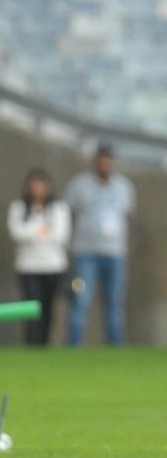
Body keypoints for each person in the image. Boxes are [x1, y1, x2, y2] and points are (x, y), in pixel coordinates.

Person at [64, 144, 135, 346]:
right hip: (86, 253)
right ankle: (74, 346)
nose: (105, 165)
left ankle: (114, 347)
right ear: (96, 161)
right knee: (80, 300)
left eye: (109, 161)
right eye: (102, 160)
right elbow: (67, 211)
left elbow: (128, 215)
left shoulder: (124, 186)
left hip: (115, 253)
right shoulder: (79, 184)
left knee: (114, 303)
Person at [7, 169, 71, 346]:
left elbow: (60, 235)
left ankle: (44, 344)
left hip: (53, 266)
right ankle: (31, 343)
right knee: (31, 308)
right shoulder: (19, 207)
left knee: (48, 309)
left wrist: (33, 231)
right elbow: (17, 232)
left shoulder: (58, 208)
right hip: (28, 266)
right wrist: (40, 230)